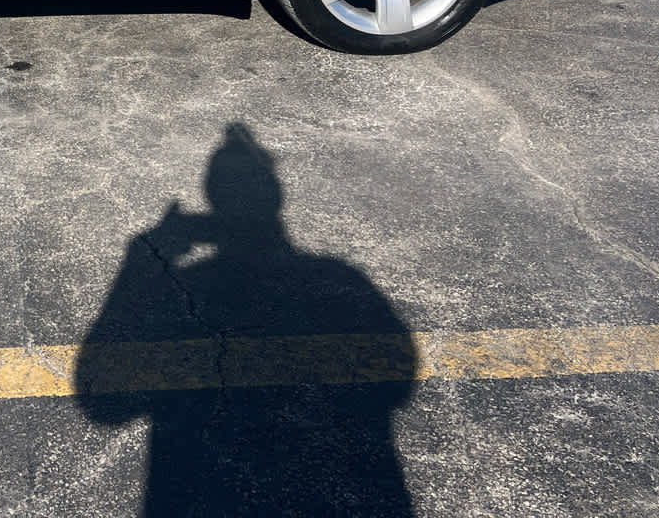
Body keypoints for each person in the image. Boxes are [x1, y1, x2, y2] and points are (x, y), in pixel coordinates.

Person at [77, 124, 417, 516]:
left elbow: (104, 405)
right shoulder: (339, 278)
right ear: (276, 196)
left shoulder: (188, 283)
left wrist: (138, 260)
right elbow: (396, 387)